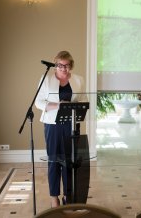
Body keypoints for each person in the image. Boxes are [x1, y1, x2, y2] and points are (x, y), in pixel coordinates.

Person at [35, 50, 86, 207]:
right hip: (52, 125)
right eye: (60, 65)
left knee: (69, 162)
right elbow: (39, 102)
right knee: (54, 160)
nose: (64, 69)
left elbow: (84, 100)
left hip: (71, 124)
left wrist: (75, 107)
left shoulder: (78, 80)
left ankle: (68, 196)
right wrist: (58, 105)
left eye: (67, 65)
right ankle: (54, 197)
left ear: (71, 65)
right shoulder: (46, 80)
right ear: (55, 65)